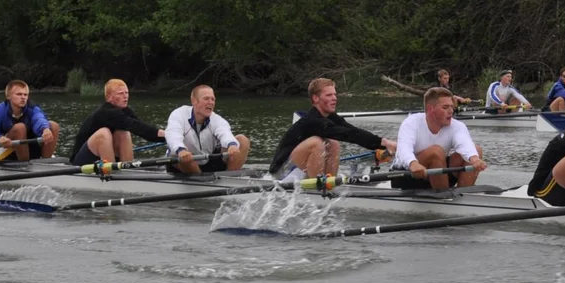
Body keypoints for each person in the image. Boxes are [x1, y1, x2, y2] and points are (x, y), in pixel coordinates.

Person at [268, 77, 397, 182]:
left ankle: (330, 184)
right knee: (316, 142)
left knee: (333, 143)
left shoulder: (331, 117)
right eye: (329, 95)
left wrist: (381, 146)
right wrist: (383, 142)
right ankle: (317, 188)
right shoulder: (312, 121)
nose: (334, 98)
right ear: (316, 98)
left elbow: (353, 132)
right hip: (281, 173)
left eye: (335, 94)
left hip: (299, 169)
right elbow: (347, 135)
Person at [393, 88, 487, 190]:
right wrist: (412, 163)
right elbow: (404, 149)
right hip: (407, 175)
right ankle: (444, 198)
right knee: (436, 152)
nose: (451, 111)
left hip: (437, 172)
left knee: (476, 150)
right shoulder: (411, 122)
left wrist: (474, 159)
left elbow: (464, 144)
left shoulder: (457, 126)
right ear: (430, 109)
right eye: (445, 107)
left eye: (452, 107)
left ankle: (464, 194)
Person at [66, 79, 166, 167]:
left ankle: (127, 172)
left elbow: (143, 129)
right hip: (80, 161)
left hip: (101, 158)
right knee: (104, 133)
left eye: (126, 93)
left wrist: (173, 137)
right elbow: (136, 126)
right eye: (120, 93)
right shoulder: (105, 112)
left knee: (124, 132)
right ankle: (112, 175)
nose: (125, 96)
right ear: (109, 97)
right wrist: (169, 135)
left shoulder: (125, 111)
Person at [163, 84, 250, 174]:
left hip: (208, 161)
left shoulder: (216, 119)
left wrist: (232, 145)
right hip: (183, 162)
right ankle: (200, 180)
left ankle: (230, 179)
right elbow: (173, 135)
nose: (211, 102)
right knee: (186, 157)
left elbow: (225, 133)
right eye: (206, 99)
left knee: (242, 140)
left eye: (213, 99)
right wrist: (180, 150)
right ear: (194, 101)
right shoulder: (179, 114)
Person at [0, 80, 60, 161]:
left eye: (25, 95)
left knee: (53, 126)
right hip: (5, 149)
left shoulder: (33, 108)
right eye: (19, 94)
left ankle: (45, 162)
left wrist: (45, 129)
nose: (23, 97)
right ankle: (25, 164)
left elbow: (39, 118)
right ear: (8, 96)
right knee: (20, 127)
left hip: (29, 148)